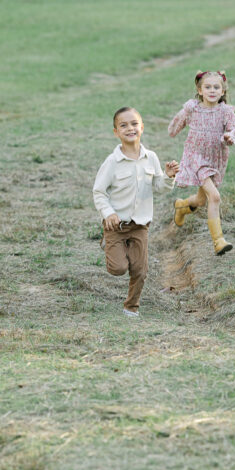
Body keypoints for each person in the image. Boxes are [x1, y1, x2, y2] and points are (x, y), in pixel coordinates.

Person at [93, 107, 179, 317]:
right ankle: (111, 246)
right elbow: (99, 192)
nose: (129, 128)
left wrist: (167, 176)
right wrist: (108, 213)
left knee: (140, 270)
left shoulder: (151, 158)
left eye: (134, 124)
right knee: (118, 268)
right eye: (123, 125)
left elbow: (158, 186)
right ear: (116, 132)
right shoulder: (112, 162)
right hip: (116, 225)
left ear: (142, 127)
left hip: (140, 224)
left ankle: (131, 307)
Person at [168, 70, 235, 255]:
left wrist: (230, 137)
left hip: (215, 160)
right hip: (196, 157)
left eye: (216, 87)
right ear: (199, 90)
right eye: (207, 87)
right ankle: (218, 241)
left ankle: (182, 207)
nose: (212, 90)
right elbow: (175, 126)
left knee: (201, 200)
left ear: (222, 91)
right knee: (214, 197)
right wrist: (175, 125)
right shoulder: (193, 108)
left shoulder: (225, 111)